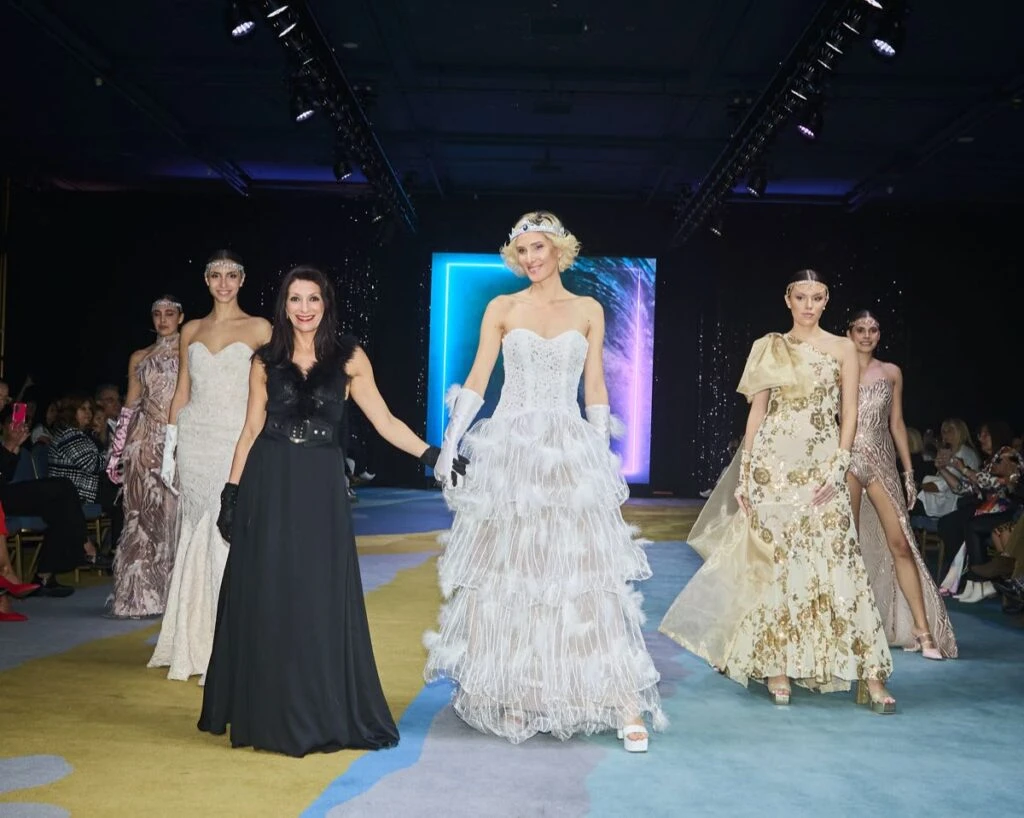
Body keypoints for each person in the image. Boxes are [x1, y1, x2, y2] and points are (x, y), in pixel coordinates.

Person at [423, 211, 665, 752]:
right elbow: (479, 376)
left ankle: (621, 699)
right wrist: (451, 442)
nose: (530, 258)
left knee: (582, 572)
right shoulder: (503, 307)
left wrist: (600, 455)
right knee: (514, 570)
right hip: (511, 447)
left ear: (559, 250)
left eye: (539, 248)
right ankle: (519, 688)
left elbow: (595, 384)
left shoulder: (588, 308)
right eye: (522, 250)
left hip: (567, 447)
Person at [198, 265, 455, 757]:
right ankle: (271, 710)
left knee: (317, 594)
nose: (304, 308)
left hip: (319, 486)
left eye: (313, 299)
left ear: (326, 304)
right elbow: (250, 430)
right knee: (271, 593)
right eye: (295, 299)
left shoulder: (349, 358)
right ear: (284, 305)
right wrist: (231, 492)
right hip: (269, 482)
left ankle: (319, 708)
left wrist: (432, 455)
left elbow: (384, 421)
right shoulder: (265, 360)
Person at [659, 269, 896, 714]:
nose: (809, 305)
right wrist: (747, 474)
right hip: (774, 466)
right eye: (801, 297)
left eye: (817, 297)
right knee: (776, 562)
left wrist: (839, 464)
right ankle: (776, 664)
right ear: (788, 299)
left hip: (823, 462)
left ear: (826, 301)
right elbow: (758, 413)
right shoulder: (769, 346)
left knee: (840, 557)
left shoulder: (843, 348)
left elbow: (849, 411)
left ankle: (870, 671)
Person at [148, 251, 271, 682]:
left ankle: (229, 646)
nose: (223, 282)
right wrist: (169, 448)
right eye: (215, 275)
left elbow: (269, 391)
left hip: (235, 439)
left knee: (228, 530)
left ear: (242, 279)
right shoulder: (191, 329)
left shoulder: (260, 328)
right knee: (195, 531)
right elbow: (182, 391)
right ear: (206, 280)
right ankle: (192, 642)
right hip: (195, 441)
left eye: (231, 275)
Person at [846, 310, 957, 659]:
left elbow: (896, 423)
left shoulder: (891, 372)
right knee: (847, 546)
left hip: (881, 462)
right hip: (847, 460)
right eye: (860, 329)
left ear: (879, 334)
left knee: (902, 543)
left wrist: (909, 473)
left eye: (873, 329)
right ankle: (848, 630)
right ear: (849, 333)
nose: (867, 335)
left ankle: (923, 631)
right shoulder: (837, 370)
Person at [105, 295, 183, 618]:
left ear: (180, 317)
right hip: (143, 442)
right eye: (157, 314)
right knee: (140, 516)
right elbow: (130, 404)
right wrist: (115, 453)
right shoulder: (140, 356)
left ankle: (174, 596)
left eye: (169, 313)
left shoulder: (190, 352)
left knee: (172, 515)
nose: (163, 319)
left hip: (178, 441)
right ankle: (139, 596)